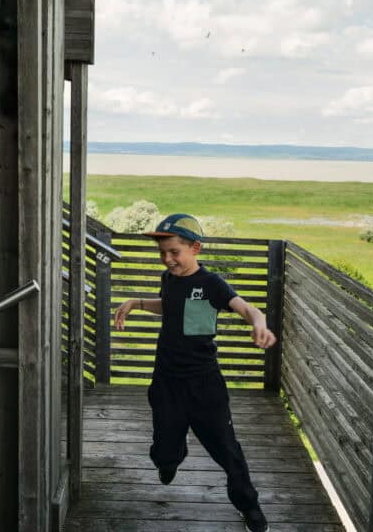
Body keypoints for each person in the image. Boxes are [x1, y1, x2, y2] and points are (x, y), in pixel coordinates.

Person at [114, 213, 277, 532]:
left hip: (204, 385)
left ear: (196, 248)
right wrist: (136, 302)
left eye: (174, 252)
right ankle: (170, 457)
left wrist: (259, 324)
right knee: (162, 451)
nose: (167, 259)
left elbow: (246, 308)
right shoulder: (169, 279)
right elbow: (170, 305)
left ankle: (249, 506)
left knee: (228, 451)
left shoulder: (212, 284)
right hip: (166, 381)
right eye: (162, 253)